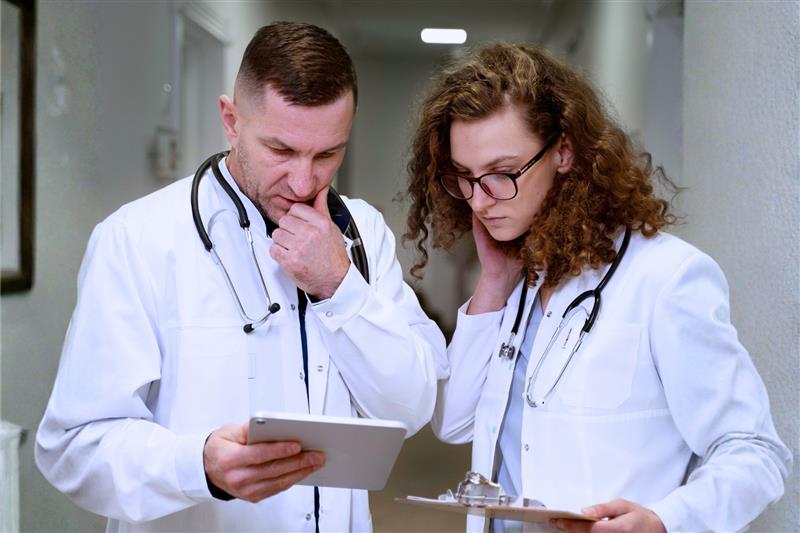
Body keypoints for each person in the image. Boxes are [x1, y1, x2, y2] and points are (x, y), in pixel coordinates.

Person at [36, 21, 444, 532]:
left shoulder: (362, 233)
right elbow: (73, 446)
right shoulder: (138, 239)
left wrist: (339, 287)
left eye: (327, 154)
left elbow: (410, 408)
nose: (303, 181)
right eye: (281, 151)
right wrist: (198, 465)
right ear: (231, 121)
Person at [404, 43, 791, 533]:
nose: (480, 201)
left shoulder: (665, 278)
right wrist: (495, 284)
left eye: (502, 174)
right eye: (465, 177)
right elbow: (453, 422)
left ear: (564, 152)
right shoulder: (518, 281)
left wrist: (664, 520)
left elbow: (755, 452)